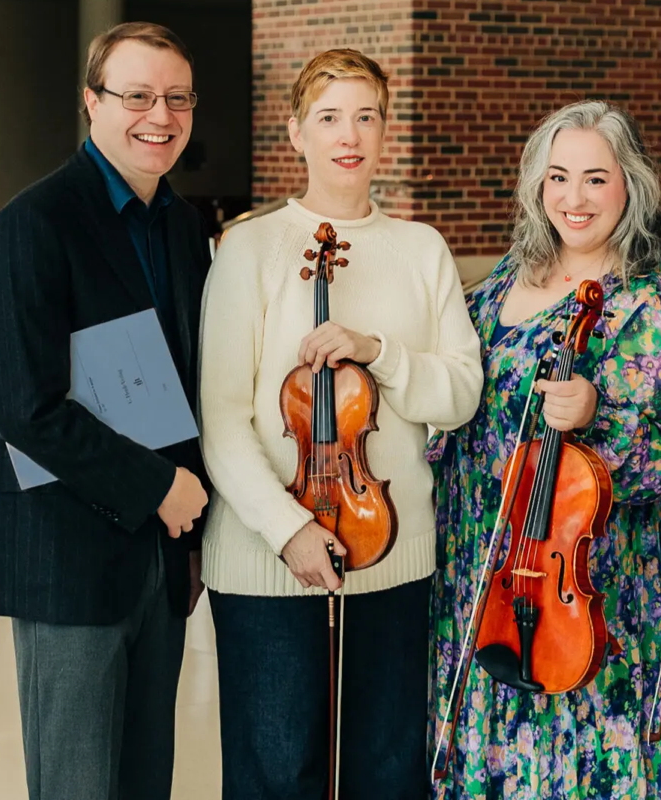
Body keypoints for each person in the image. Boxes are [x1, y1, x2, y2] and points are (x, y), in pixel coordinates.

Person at [197, 48, 482, 799]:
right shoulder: (249, 247)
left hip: (395, 556)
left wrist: (378, 353)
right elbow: (222, 421)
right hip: (268, 566)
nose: (347, 135)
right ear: (295, 133)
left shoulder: (422, 250)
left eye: (365, 117)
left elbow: (459, 393)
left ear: (386, 130)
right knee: (275, 777)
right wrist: (286, 528)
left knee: (387, 775)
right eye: (328, 118)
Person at [428, 100, 661, 799]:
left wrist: (597, 413)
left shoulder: (650, 304)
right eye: (557, 178)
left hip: (588, 591)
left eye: (594, 179)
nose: (573, 199)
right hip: (485, 568)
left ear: (629, 186)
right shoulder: (500, 283)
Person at [0, 22, 210, 800]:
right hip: (67, 556)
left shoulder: (184, 228)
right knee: (77, 787)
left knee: (147, 781)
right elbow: (27, 407)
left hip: (161, 556)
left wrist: (188, 536)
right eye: (138, 95)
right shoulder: (32, 223)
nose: (161, 114)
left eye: (177, 98)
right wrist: (157, 486)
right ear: (92, 102)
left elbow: (184, 388)